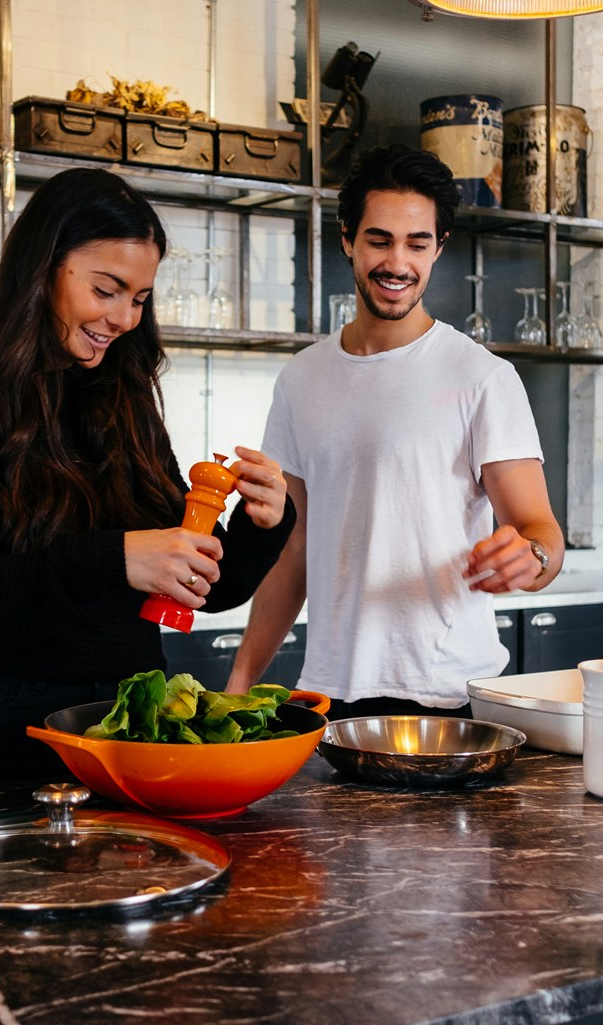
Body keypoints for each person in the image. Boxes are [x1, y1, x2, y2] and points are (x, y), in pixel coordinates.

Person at [0, 167, 295, 792]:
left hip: (129, 732)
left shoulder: (123, 398)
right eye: (107, 289)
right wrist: (115, 560)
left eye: (140, 298)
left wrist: (262, 523)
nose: (125, 317)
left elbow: (201, 588)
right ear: (43, 266)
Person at [225, 144, 563, 720]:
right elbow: (294, 549)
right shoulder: (302, 378)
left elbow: (541, 535)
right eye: (379, 240)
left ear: (439, 248)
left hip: (449, 697)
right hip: (329, 696)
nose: (397, 263)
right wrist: (238, 685)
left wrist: (529, 558)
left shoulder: (482, 377)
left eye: (417, 243)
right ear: (347, 239)